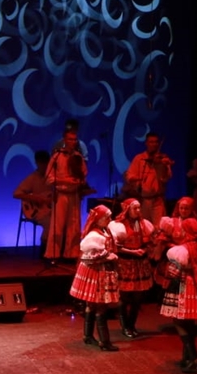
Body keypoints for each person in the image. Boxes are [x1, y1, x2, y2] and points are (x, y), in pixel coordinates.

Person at [160, 218, 197, 372]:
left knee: (179, 321)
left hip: (185, 284)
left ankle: (193, 357)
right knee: (189, 322)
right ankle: (187, 357)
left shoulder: (181, 250)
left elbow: (177, 265)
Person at [70, 204, 121, 351]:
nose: (110, 220)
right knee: (100, 306)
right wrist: (108, 256)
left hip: (101, 272)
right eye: (107, 218)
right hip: (96, 273)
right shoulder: (94, 236)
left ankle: (88, 336)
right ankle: (104, 342)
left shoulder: (105, 232)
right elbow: (89, 257)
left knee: (92, 305)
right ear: (98, 220)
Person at [107, 198, 154, 338]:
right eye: (136, 208)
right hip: (125, 263)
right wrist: (132, 252)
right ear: (127, 209)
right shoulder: (118, 225)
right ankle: (125, 325)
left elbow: (148, 241)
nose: (139, 211)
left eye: (140, 208)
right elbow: (116, 246)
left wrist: (145, 250)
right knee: (124, 296)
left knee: (138, 297)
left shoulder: (143, 224)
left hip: (139, 263)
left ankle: (131, 324)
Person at [44, 129, 88, 260]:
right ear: (64, 140)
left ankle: (71, 254)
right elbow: (48, 177)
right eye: (70, 139)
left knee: (74, 226)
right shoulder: (57, 156)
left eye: (75, 140)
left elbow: (84, 174)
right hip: (61, 194)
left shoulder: (78, 157)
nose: (72, 142)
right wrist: (65, 180)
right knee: (57, 226)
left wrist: (79, 181)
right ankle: (53, 254)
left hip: (74, 194)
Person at [124, 132, 173, 225]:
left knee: (158, 228)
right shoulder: (139, 158)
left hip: (157, 201)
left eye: (156, 142)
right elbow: (129, 175)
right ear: (146, 143)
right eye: (151, 142)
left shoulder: (162, 159)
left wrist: (165, 166)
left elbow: (167, 178)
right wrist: (136, 179)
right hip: (143, 200)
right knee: (144, 227)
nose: (154, 144)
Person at [152, 196, 197, 290]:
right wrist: (173, 247)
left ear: (191, 209)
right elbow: (163, 238)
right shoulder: (171, 222)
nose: (183, 211)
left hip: (188, 258)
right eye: (181, 208)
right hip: (172, 258)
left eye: (186, 208)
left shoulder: (195, 224)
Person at [12, 150, 53, 249]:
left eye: (46, 163)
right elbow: (16, 194)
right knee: (51, 222)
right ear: (37, 163)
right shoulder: (32, 178)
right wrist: (35, 198)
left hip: (51, 209)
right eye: (41, 163)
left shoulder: (53, 178)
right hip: (38, 211)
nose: (44, 166)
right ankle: (44, 248)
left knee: (61, 220)